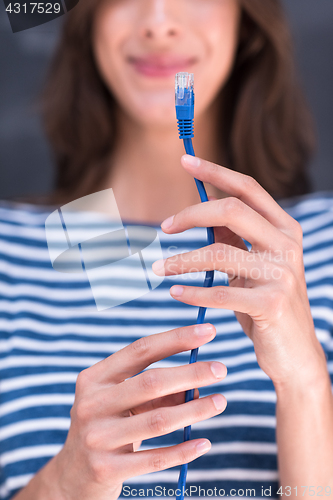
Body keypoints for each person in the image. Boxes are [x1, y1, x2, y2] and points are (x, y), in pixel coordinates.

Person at [0, 0, 332, 499]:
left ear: (247, 16)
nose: (158, 22)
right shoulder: (12, 251)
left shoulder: (318, 238)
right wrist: (65, 485)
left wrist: (304, 384)